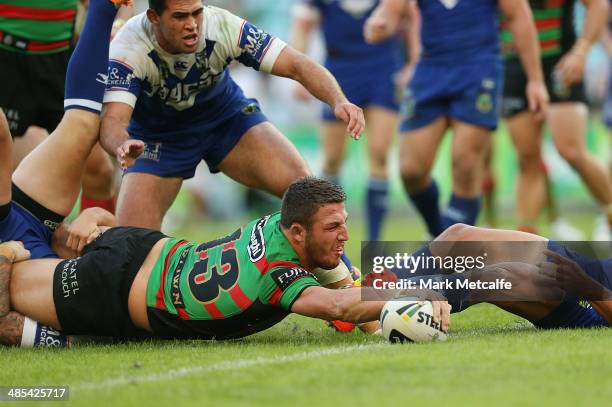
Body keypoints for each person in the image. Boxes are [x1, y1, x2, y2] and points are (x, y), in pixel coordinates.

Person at [0, 177, 452, 345]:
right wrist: (416, 293)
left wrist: (377, 323)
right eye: (334, 228)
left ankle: (91, 221)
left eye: (344, 224)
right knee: (6, 292)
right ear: (298, 232)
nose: (345, 237)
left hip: (138, 245)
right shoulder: (279, 275)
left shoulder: (282, 222)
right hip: (113, 289)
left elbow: (342, 284)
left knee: (30, 245)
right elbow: (338, 306)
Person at [100, 0, 365, 231]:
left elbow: (296, 64)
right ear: (154, 17)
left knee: (309, 196)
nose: (192, 24)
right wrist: (122, 144)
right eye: (180, 16)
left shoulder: (223, 25)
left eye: (196, 12)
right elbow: (112, 122)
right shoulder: (127, 48)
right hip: (158, 139)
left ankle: (342, 278)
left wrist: (338, 100)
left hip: (224, 119)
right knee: (130, 247)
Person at [0, 0, 132, 346]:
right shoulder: (92, 301)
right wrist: (94, 218)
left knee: (83, 130)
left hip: (11, 224)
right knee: (83, 127)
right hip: (32, 244)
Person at [364, 0, 549, 237]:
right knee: (411, 170)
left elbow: (519, 15)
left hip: (478, 69)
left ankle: (452, 255)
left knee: (465, 163)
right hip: (430, 68)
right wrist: (379, 23)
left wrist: (535, 79)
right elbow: (391, 9)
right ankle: (437, 232)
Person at [290, 0, 419, 241]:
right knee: (331, 159)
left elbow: (411, 15)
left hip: (382, 68)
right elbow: (302, 26)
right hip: (338, 72)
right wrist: (301, 78)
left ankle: (373, 241)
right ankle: (327, 235)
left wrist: (413, 63)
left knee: (380, 154)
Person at [0, 0, 129, 214]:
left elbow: (120, 5)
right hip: (6, 61)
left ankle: (98, 244)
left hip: (61, 62)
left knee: (99, 173)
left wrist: (117, 27)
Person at [501, 0, 612, 239]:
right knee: (528, 158)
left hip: (561, 65)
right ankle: (526, 243)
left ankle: (609, 213)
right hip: (514, 66)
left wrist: (581, 51)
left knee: (571, 150)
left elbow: (599, 5)